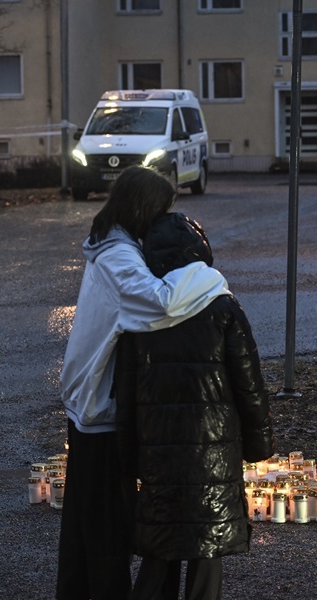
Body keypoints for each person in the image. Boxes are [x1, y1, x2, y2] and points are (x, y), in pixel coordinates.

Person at [57, 166, 231, 600]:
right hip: (98, 407)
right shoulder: (118, 256)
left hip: (90, 402)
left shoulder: (113, 245)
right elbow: (158, 303)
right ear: (144, 208)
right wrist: (207, 277)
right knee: (104, 530)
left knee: (87, 526)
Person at [115, 213, 275, 600]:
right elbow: (248, 385)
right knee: (206, 551)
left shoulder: (141, 312)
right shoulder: (222, 306)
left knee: (160, 545)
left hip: (158, 451)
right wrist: (259, 444)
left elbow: (124, 392)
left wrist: (127, 453)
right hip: (213, 454)